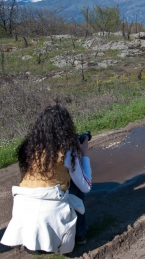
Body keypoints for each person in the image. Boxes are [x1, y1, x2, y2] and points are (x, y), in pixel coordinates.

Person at [0, 104, 92, 254]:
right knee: (76, 184)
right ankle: (80, 234)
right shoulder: (67, 151)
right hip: (50, 206)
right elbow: (86, 186)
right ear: (66, 127)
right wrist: (84, 153)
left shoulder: (29, 147)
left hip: (23, 206)